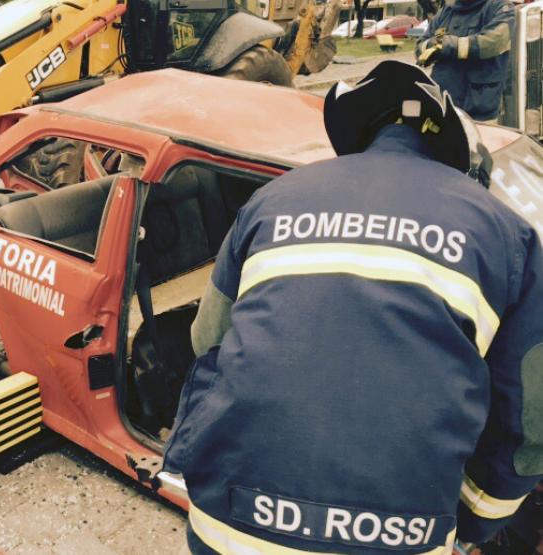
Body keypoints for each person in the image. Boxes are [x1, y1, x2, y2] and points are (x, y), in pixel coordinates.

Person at [166, 60, 543, 554]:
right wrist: (472, 520)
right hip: (396, 538)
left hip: (229, 526)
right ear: (455, 155)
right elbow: (528, 420)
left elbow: (206, 342)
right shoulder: (507, 236)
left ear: (356, 135)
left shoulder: (270, 201)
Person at [415, 0, 514, 122]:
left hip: (479, 110)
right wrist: (431, 45)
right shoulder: (447, 10)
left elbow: (492, 43)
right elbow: (420, 46)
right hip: (442, 104)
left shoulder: (500, 7)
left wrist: (451, 45)